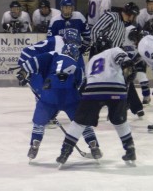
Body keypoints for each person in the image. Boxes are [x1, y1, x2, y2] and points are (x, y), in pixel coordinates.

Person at [56, 36, 137, 165]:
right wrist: (129, 73)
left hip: (93, 91)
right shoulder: (114, 50)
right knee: (120, 122)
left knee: (79, 123)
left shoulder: (92, 60)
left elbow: (85, 84)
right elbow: (126, 62)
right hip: (116, 89)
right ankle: (130, 149)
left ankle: (65, 152)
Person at [16, 43, 99, 160]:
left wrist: (23, 73)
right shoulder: (78, 66)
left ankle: (35, 144)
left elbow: (34, 62)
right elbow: (80, 85)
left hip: (50, 94)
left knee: (39, 122)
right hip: (71, 96)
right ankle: (93, 145)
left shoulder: (53, 55)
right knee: (82, 122)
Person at [90, 1, 144, 117]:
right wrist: (99, 49)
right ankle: (85, 107)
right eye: (133, 15)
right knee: (94, 80)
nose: (133, 18)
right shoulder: (112, 16)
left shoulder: (123, 23)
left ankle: (136, 107)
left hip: (114, 55)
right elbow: (95, 30)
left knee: (125, 77)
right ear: (130, 14)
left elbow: (117, 41)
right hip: (100, 53)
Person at [123, 25, 151, 105]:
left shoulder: (145, 38)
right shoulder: (124, 33)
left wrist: (133, 61)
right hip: (127, 58)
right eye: (133, 40)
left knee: (141, 76)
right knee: (125, 78)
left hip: (139, 59)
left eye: (136, 40)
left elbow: (142, 54)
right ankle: (125, 97)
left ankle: (146, 96)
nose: (135, 42)